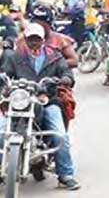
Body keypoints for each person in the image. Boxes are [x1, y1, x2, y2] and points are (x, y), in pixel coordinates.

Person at [1, 23, 80, 190]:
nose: (34, 43)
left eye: (37, 39)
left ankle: (65, 174)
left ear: (43, 40)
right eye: (31, 39)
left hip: (48, 100)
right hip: (20, 101)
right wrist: (5, 84)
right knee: (1, 133)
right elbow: (5, 74)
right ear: (25, 40)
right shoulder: (15, 57)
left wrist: (65, 79)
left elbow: (67, 73)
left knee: (60, 135)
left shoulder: (55, 57)